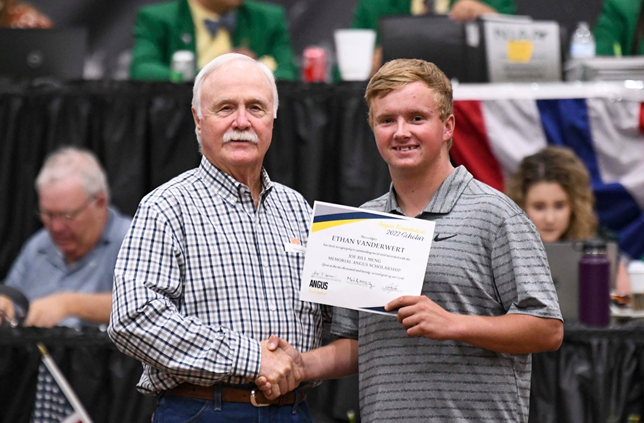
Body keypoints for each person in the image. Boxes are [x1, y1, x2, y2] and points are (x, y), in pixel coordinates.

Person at [258, 58, 564, 422]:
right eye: (387, 120)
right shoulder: (360, 222)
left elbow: (547, 328)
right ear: (372, 127)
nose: (401, 132)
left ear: (448, 126)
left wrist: (454, 324)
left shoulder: (496, 215)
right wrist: (299, 365)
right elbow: (359, 344)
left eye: (417, 118)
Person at [108, 52, 330, 422]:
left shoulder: (298, 209)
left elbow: (334, 312)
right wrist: (252, 358)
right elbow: (133, 318)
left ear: (273, 118)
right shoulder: (166, 207)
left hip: (293, 410)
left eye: (256, 108)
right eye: (225, 108)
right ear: (198, 119)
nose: (241, 121)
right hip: (204, 410)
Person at [0, 147, 131, 329]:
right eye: (48, 214)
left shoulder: (132, 241)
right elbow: (13, 293)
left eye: (68, 215)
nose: (56, 227)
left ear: (100, 203)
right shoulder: (39, 245)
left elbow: (147, 306)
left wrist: (70, 305)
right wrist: (5, 303)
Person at [506, 145, 632, 295]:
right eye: (539, 207)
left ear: (575, 207)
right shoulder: (500, 252)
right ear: (521, 206)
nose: (550, 219)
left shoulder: (600, 250)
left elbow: (623, 298)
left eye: (559, 206)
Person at [129, 0, 298, 81]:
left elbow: (287, 73)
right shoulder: (157, 18)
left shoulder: (268, 18)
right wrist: (208, 76)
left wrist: (253, 71)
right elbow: (142, 69)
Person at [350, 0, 516, 75]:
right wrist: (365, 67)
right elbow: (343, 74)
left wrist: (490, 19)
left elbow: (521, 56)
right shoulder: (373, 4)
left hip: (468, 113)